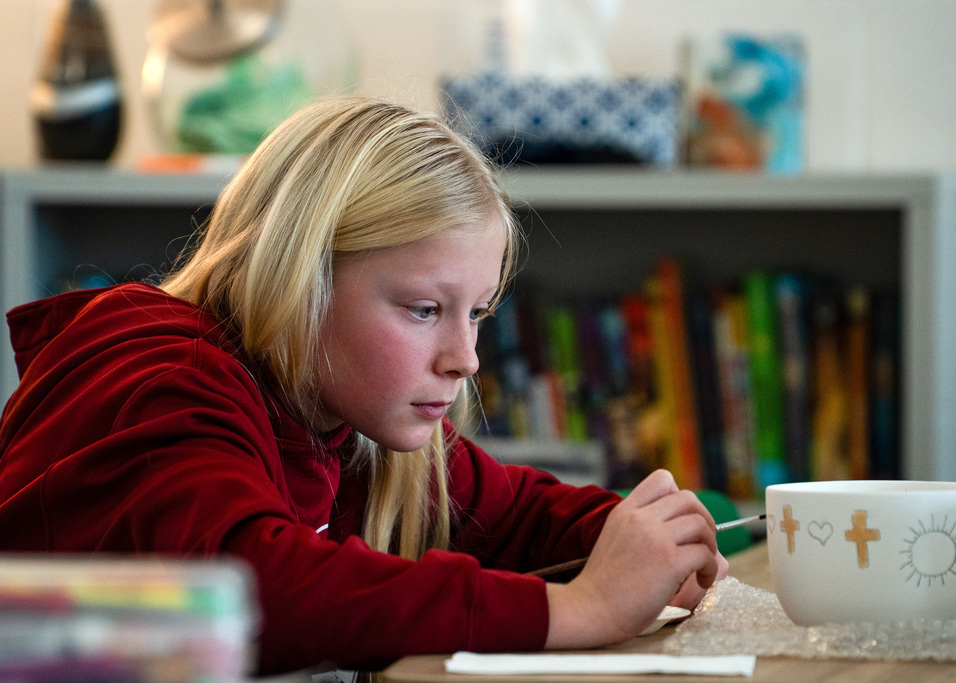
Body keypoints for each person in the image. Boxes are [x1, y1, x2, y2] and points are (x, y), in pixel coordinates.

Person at [0, 96, 728, 675]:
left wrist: (643, 545)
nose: (464, 357)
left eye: (475, 314)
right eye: (423, 310)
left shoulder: (340, 413)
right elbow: (249, 592)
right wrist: (581, 609)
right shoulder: (157, 373)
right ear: (299, 277)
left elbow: (514, 514)